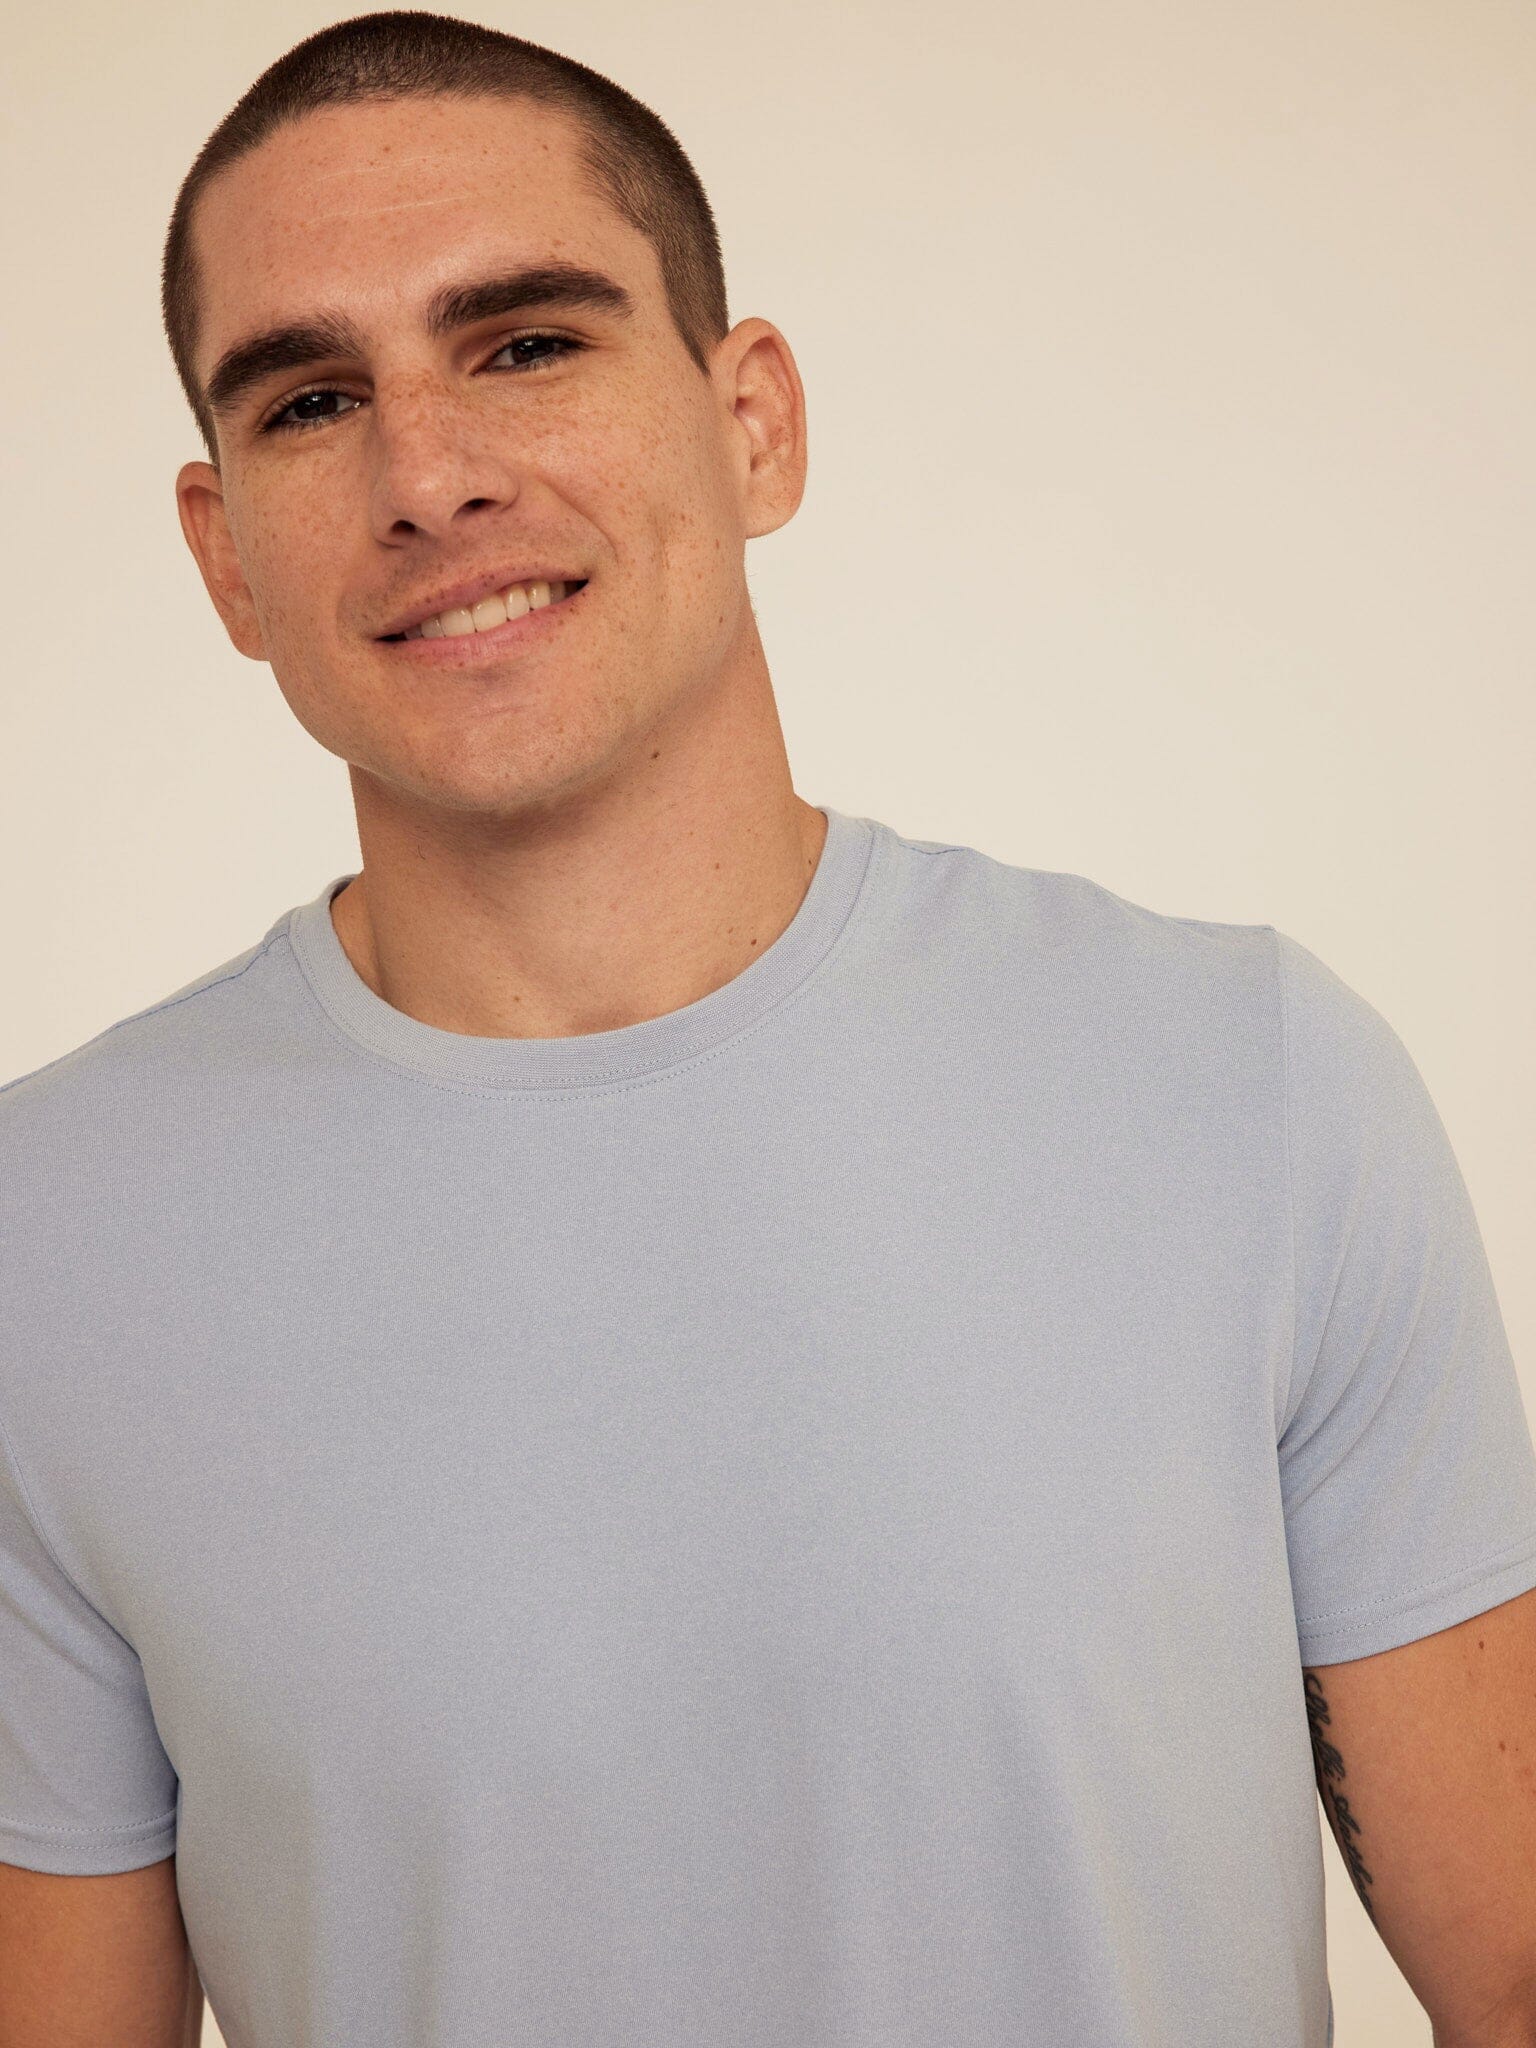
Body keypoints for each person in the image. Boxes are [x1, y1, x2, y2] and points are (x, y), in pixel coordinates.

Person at [3, 13, 1534, 2048]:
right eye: (311, 399)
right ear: (226, 560)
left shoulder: (1245, 1083)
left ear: (754, 426)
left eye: (525, 344)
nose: (428, 476)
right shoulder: (51, 1242)